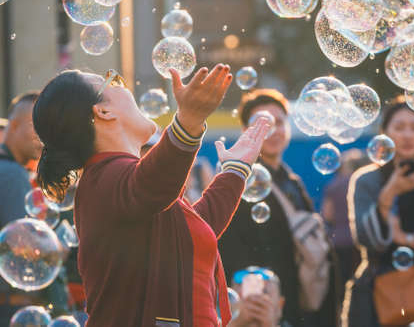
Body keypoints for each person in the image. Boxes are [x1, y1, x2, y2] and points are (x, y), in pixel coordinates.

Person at [32, 65, 272, 327]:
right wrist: (188, 122)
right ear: (103, 112)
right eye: (112, 81)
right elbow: (152, 186)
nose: (124, 86)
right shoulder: (103, 180)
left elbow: (191, 233)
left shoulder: (127, 187)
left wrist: (235, 172)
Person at [219, 89, 336, 327]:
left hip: (297, 300)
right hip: (261, 306)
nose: (273, 131)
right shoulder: (239, 181)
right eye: (261, 124)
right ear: (245, 132)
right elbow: (230, 250)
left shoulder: (292, 182)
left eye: (279, 123)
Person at [342, 97, 414, 327]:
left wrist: (409, 240)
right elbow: (363, 238)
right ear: (385, 133)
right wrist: (389, 193)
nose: (407, 135)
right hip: (376, 290)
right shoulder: (366, 180)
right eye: (399, 127)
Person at [0, 92, 43, 325]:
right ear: (14, 125)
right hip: (9, 306)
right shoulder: (13, 174)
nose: (43, 136)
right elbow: (26, 248)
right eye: (37, 126)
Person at [322, 149, 367, 299]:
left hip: (338, 241)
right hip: (360, 241)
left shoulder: (334, 185)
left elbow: (327, 214)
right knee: (361, 284)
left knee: (341, 284)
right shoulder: (364, 184)